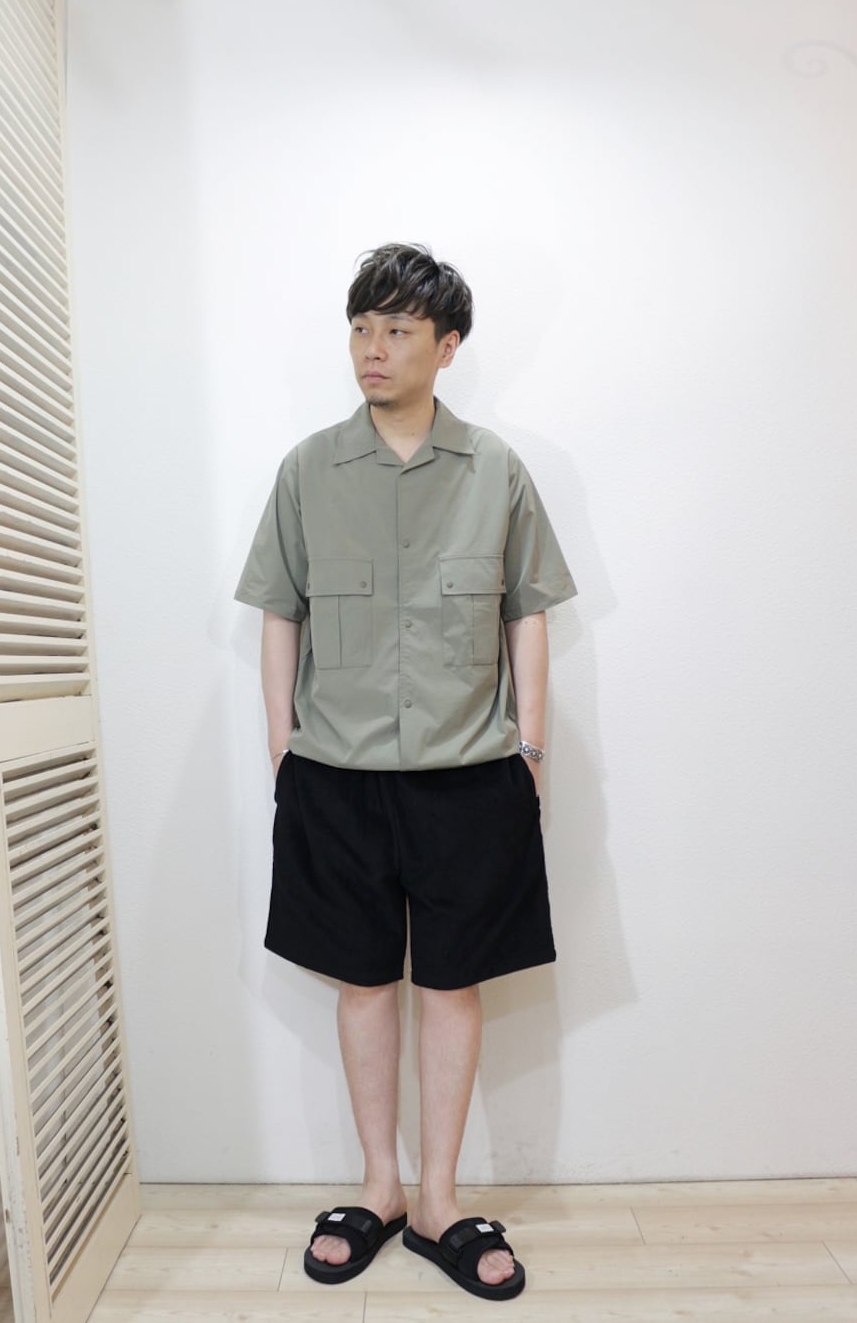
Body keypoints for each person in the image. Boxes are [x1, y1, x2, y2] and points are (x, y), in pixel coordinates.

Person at [235, 243, 576, 1302]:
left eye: (395, 329)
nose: (371, 349)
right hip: (334, 776)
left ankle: (438, 1199)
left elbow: (527, 612)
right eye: (360, 327)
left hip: (470, 774)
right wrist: (284, 749)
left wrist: (529, 748)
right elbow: (279, 613)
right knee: (363, 979)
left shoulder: (495, 469)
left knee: (452, 983)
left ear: (447, 345)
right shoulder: (307, 469)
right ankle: (378, 1186)